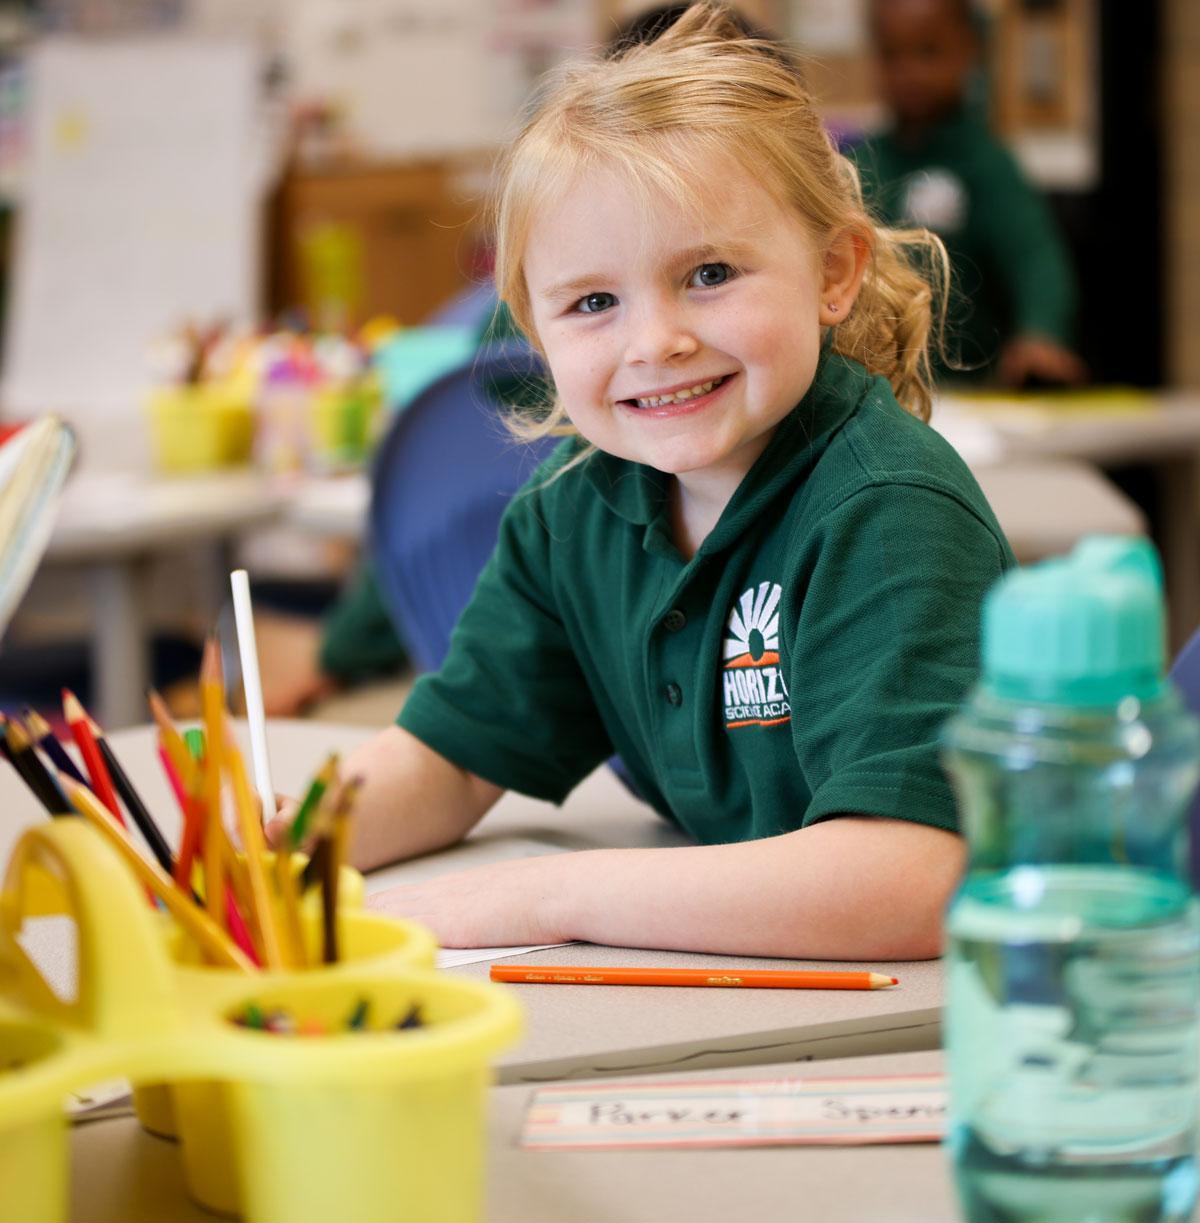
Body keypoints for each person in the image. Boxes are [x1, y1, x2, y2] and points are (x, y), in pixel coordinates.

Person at [275, 4, 1014, 961]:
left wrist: (548, 895)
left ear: (832, 272)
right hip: (736, 1003)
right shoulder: (570, 513)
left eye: (709, 273)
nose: (654, 341)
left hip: (939, 1027)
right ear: (537, 332)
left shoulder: (889, 513)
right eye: (592, 302)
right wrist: (294, 839)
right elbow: (452, 762)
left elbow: (911, 878)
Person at [850, 0, 1086, 387]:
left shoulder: (986, 163)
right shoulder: (861, 162)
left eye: (928, 51)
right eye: (891, 54)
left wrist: (1041, 333)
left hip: (968, 388)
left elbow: (1036, 262)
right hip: (872, 387)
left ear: (969, 51)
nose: (908, 71)